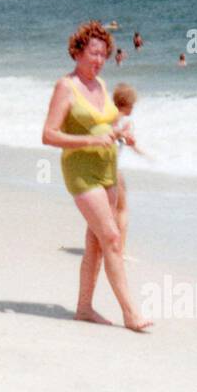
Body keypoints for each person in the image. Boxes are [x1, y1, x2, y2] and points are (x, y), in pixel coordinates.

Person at [41, 21, 151, 332]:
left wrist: (122, 131)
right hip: (81, 171)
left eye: (104, 54)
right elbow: (48, 135)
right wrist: (90, 141)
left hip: (107, 169)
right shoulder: (67, 86)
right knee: (113, 237)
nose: (99, 59)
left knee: (95, 242)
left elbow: (108, 122)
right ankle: (131, 313)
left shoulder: (101, 85)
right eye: (93, 53)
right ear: (77, 52)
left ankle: (84, 308)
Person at [111, 83, 141, 258]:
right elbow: (128, 141)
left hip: (98, 167)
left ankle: (107, 246)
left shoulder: (107, 116)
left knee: (109, 209)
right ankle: (119, 250)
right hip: (112, 168)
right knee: (122, 209)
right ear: (128, 104)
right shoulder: (123, 120)